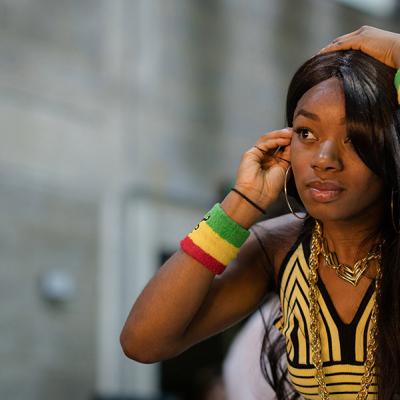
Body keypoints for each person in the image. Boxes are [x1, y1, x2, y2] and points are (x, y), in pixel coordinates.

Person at [120, 26, 400, 400]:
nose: (324, 160)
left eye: (355, 137)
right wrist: (241, 205)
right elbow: (143, 341)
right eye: (306, 133)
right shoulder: (279, 249)